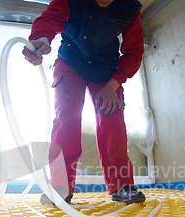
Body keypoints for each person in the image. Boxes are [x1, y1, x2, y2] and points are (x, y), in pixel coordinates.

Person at [23, 0, 146, 205]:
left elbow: (133, 52)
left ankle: (122, 185)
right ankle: (60, 186)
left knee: (113, 123)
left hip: (107, 72)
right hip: (70, 63)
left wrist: (113, 85)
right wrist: (41, 38)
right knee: (66, 121)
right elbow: (51, 17)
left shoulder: (130, 8)